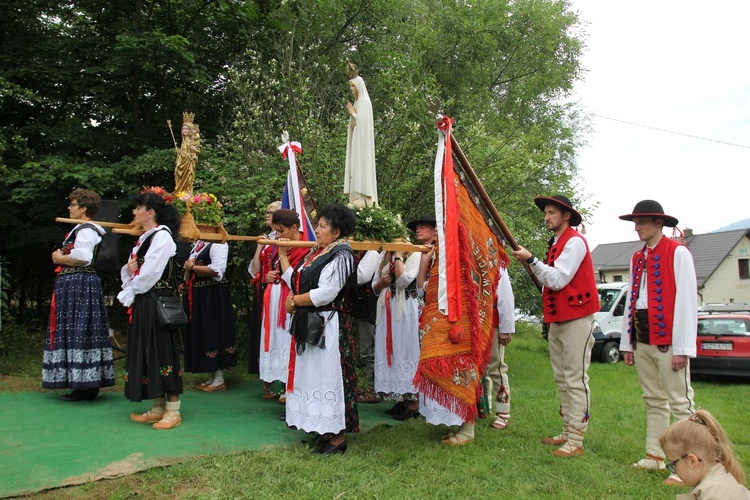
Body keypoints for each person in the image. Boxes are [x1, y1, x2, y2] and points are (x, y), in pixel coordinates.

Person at [511, 195, 599, 457]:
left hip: (576, 319)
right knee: (563, 379)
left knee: (575, 379)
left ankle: (576, 439)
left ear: (566, 216)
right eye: (546, 213)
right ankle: (567, 431)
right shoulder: (559, 243)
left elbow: (558, 280)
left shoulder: (574, 242)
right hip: (560, 319)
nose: (546, 217)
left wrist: (532, 260)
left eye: (551, 212)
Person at [618, 200, 698, 485]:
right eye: (636, 223)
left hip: (669, 342)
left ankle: (689, 464)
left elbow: (687, 301)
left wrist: (683, 348)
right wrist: (628, 344)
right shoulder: (637, 257)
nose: (637, 228)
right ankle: (654, 456)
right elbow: (632, 301)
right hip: (643, 338)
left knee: (680, 403)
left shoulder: (678, 253)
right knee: (653, 400)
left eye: (642, 222)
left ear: (658, 224)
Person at [280, 203, 358, 454]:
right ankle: (324, 431)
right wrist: (282, 255)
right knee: (313, 376)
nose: (317, 229)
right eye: (318, 224)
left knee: (328, 377)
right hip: (311, 321)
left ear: (336, 232)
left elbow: (327, 292)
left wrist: (294, 301)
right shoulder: (317, 251)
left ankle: (337, 439)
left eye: (323, 226)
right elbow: (296, 280)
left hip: (329, 324)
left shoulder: (342, 253)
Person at [117, 192, 184, 430]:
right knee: (147, 351)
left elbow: (151, 272)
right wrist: (129, 268)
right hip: (145, 299)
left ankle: (173, 410)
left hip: (157, 300)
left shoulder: (162, 237)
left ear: (150, 212)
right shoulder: (146, 237)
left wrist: (133, 288)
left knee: (162, 350)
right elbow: (134, 270)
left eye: (137, 208)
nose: (134, 212)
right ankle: (157, 407)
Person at [42, 188, 115, 401]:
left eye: (72, 205)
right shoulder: (80, 229)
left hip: (80, 284)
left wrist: (59, 257)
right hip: (75, 284)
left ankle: (86, 385)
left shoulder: (87, 230)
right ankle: (80, 383)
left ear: (83, 208)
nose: (69, 208)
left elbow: (83, 257)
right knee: (75, 329)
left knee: (80, 329)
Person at [257, 209, 308, 405]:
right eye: (276, 231)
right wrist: (268, 276)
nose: (278, 235)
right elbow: (276, 270)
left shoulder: (303, 247)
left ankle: (291, 388)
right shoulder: (283, 244)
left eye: (281, 231)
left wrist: (281, 255)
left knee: (288, 342)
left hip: (289, 301)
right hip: (274, 298)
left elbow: (294, 277)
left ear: (294, 228)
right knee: (276, 342)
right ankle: (278, 386)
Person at [372, 249, 421, 420]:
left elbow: (404, 281)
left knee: (406, 350)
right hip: (387, 308)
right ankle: (403, 400)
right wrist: (382, 283)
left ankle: (413, 402)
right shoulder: (383, 255)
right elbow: (374, 286)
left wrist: (399, 255)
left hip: (405, 308)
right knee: (391, 351)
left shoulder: (415, 255)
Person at [182, 239, 237, 392]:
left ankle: (219, 380)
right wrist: (189, 268)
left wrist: (193, 266)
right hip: (200, 294)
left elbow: (217, 270)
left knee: (213, 330)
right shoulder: (199, 244)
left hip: (213, 295)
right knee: (204, 332)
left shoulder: (219, 243)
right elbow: (188, 273)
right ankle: (211, 377)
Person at [660, 410, 749, 499]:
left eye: (673, 464)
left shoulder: (714, 494)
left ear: (692, 461)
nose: (674, 471)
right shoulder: (716, 482)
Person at [247, 201, 281, 382]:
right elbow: (254, 269)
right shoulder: (267, 238)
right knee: (264, 331)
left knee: (277, 332)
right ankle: (270, 380)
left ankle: (280, 382)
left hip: (277, 290)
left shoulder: (286, 238)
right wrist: (259, 247)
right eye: (266, 212)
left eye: (272, 212)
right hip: (263, 289)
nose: (268, 215)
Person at [344, 63, 377, 208]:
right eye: (350, 86)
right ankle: (355, 195)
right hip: (356, 140)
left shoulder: (364, 101)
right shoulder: (358, 102)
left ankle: (364, 196)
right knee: (354, 164)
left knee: (361, 164)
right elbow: (354, 124)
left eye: (353, 86)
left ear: (359, 86)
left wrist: (352, 112)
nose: (351, 89)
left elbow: (363, 121)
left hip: (362, 142)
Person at [353, 249, 381, 404]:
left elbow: (360, 277)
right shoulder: (359, 253)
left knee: (369, 350)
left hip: (368, 309)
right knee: (365, 349)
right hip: (359, 308)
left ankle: (373, 389)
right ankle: (369, 387)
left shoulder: (372, 253)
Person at [173, 112, 201, 194]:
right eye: (183, 129)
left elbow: (198, 151)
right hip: (181, 161)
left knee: (188, 178)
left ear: (190, 130)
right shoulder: (183, 140)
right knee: (177, 174)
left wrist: (193, 149)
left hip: (189, 162)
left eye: (187, 129)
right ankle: (180, 192)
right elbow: (183, 150)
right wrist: (178, 151)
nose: (185, 130)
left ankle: (187, 192)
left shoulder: (194, 140)